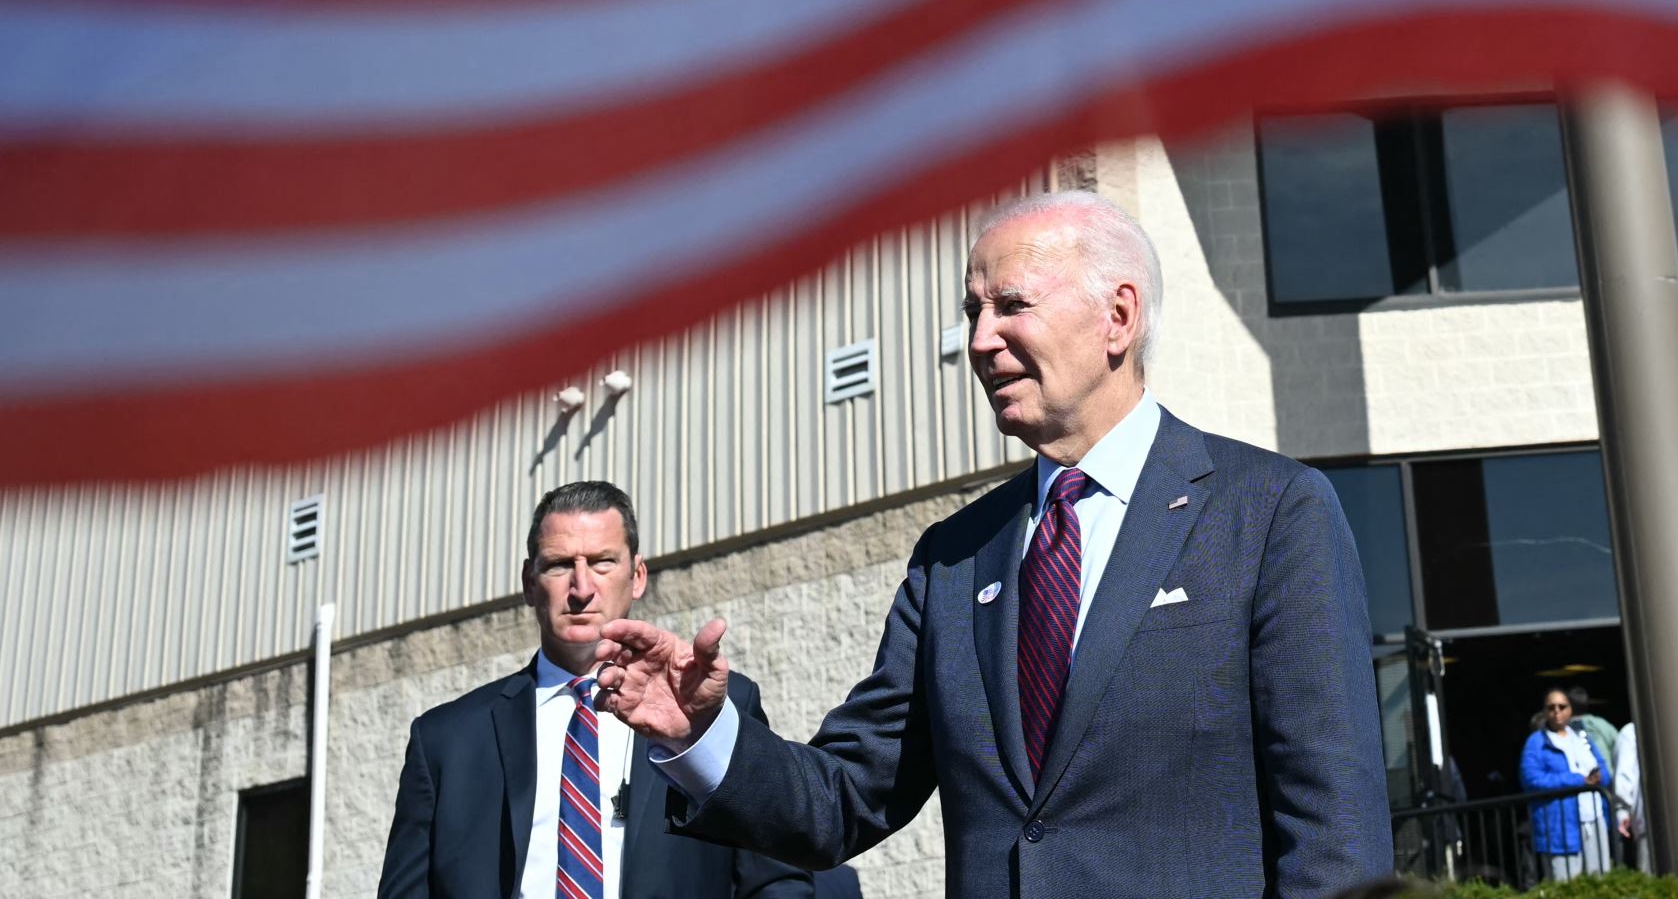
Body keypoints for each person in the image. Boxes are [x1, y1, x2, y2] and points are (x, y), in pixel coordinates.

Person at [593, 191, 1393, 898]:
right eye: (973, 310)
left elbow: (1335, 828)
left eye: (1011, 304)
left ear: (1120, 316)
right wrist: (698, 733)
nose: (981, 339)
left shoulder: (1270, 512)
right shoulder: (953, 556)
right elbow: (846, 796)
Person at [377, 481, 814, 899]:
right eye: (559, 564)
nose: (581, 589)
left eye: (602, 562)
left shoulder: (714, 708)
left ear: (637, 576)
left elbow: (776, 878)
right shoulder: (445, 741)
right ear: (530, 582)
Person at [1520, 687, 1613, 880]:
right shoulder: (1536, 742)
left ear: (1570, 710)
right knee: (1565, 884)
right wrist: (1578, 780)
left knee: (1600, 880)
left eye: (1562, 706)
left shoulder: (1582, 737)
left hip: (1592, 818)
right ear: (1545, 712)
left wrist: (1599, 777)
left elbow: (1603, 767)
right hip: (1559, 825)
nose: (1557, 712)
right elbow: (1531, 779)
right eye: (1551, 707)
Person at [1611, 722, 1647, 869]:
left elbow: (1624, 773)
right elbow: (1624, 774)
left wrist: (1622, 810)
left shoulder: (1630, 732)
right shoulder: (1631, 732)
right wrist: (1622, 810)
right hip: (1645, 818)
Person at [1568, 687, 1618, 773]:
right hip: (1606, 779)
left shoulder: (1562, 729)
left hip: (1578, 782)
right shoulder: (1601, 724)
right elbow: (1619, 745)